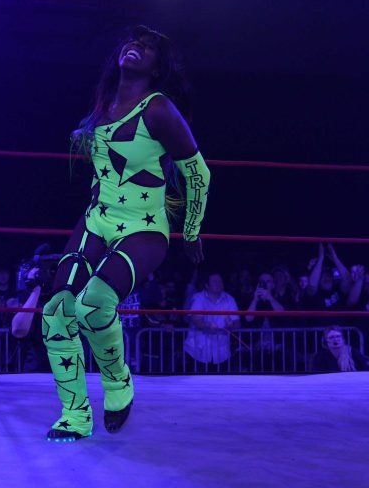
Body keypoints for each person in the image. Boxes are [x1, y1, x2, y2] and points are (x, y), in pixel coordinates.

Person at [41, 25, 210, 441]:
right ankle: (75, 414)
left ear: (157, 68)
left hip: (144, 228)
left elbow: (198, 173)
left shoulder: (158, 108)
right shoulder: (104, 105)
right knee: (56, 311)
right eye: (133, 41)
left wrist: (190, 231)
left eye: (148, 47)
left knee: (94, 305)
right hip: (96, 220)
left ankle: (118, 384)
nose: (136, 47)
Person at [183, 273, 240, 367]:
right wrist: (208, 325)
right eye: (214, 281)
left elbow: (237, 323)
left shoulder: (229, 299)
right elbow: (196, 320)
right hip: (197, 350)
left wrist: (231, 325)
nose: (218, 283)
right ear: (207, 285)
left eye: (220, 281)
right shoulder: (198, 298)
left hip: (221, 351)